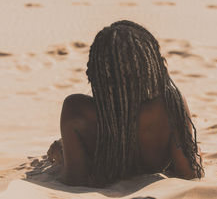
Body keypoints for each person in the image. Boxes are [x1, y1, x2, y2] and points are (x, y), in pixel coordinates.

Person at [47, 20, 203, 187]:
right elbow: (191, 173)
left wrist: (62, 155)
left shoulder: (77, 111)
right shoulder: (167, 106)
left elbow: (74, 180)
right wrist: (194, 149)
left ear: (95, 72)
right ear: (149, 69)